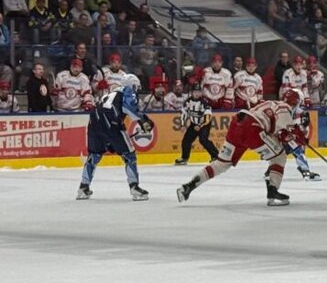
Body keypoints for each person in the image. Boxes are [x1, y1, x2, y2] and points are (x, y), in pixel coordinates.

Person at [176, 88, 305, 207]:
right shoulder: (286, 110)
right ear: (296, 103)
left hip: (237, 124)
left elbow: (278, 132)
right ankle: (273, 192)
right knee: (280, 157)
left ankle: (188, 187)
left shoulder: (272, 103)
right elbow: (291, 134)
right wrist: (302, 137)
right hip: (253, 129)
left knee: (221, 164)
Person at [77, 74, 154, 201]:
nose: (137, 90)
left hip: (94, 123)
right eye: (136, 87)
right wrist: (143, 120)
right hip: (111, 124)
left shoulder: (110, 93)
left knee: (94, 154)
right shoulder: (127, 91)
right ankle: (134, 188)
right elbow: (129, 108)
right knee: (129, 155)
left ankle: (83, 188)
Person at [175, 85, 218, 165]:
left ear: (201, 93)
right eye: (195, 92)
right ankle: (184, 158)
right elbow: (183, 113)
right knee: (186, 140)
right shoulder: (188, 102)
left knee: (203, 140)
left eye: (198, 92)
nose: (197, 94)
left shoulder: (204, 102)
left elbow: (208, 116)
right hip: (193, 124)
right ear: (192, 93)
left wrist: (200, 125)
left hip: (204, 124)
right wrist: (182, 125)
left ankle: (215, 156)